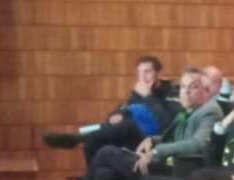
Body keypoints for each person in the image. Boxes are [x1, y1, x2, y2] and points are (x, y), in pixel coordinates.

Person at [34, 65, 222, 180]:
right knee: (104, 174)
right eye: (183, 87)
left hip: (179, 171)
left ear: (206, 91)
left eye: (193, 87)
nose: (186, 91)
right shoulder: (189, 110)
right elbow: (169, 137)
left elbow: (198, 144)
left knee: (107, 153)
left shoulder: (209, 112)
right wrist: (153, 140)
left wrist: (157, 152)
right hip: (165, 163)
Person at [41, 54, 172, 157]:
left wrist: (148, 96)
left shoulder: (169, 95)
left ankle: (76, 140)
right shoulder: (136, 97)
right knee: (96, 132)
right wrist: (115, 115)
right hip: (128, 141)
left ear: (158, 74)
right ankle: (80, 140)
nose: (143, 77)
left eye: (147, 72)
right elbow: (123, 110)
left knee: (128, 126)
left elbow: (166, 123)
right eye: (140, 73)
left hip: (150, 141)